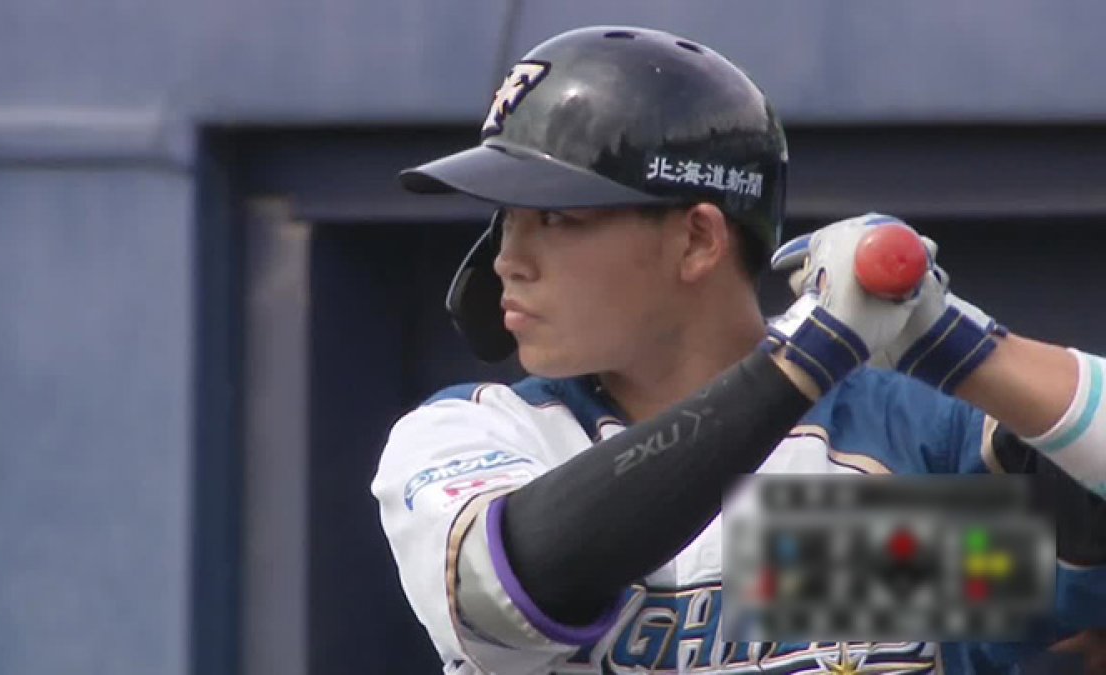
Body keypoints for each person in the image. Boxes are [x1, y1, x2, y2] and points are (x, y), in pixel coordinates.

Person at [371, 25, 1106, 674]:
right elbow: (515, 588)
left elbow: (1068, 539)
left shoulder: (895, 454)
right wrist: (809, 352)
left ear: (697, 239)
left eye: (555, 218)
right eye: (506, 219)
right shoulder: (479, 430)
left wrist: (951, 341)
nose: (509, 259)